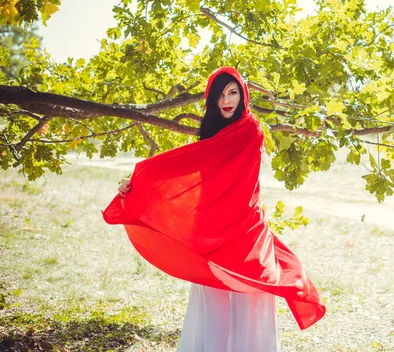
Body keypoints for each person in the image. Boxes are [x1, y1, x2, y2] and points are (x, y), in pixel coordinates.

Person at [103, 66, 325, 352]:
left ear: (243, 95)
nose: (226, 100)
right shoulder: (209, 134)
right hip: (209, 229)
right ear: (211, 100)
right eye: (220, 95)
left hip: (245, 231)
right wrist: (135, 182)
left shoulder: (250, 130)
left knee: (251, 297)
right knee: (213, 302)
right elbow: (181, 165)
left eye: (232, 92)